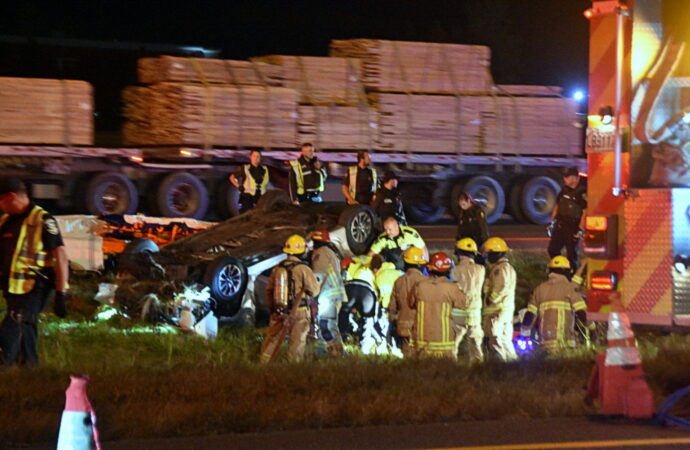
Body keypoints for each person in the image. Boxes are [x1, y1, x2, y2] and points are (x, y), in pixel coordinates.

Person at [0, 176, 69, 366]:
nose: (0, 206)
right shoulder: (6, 220)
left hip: (34, 287)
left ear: (12, 197)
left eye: (0, 200)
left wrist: (61, 293)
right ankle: (29, 366)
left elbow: (61, 256)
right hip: (12, 286)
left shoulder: (43, 220)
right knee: (26, 326)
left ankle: (4, 364)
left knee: (12, 326)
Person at [261, 234, 320, 363]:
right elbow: (314, 291)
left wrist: (273, 310)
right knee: (296, 345)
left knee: (271, 342)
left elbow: (268, 290)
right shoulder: (304, 269)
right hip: (299, 312)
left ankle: (263, 367)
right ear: (301, 251)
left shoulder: (277, 269)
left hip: (279, 311)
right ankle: (293, 372)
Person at [520, 256, 595, 353]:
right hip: (565, 344)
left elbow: (530, 314)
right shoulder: (570, 288)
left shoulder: (539, 289)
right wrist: (592, 329)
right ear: (567, 272)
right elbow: (581, 313)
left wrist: (524, 334)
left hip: (544, 345)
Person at [409, 252, 467, 359]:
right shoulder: (452, 288)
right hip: (443, 341)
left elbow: (411, 303)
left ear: (430, 269)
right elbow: (462, 305)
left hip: (422, 341)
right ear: (448, 270)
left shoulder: (419, 286)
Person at [310, 229, 346, 356]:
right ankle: (330, 353)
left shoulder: (321, 253)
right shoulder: (330, 252)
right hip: (332, 295)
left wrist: (311, 293)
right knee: (328, 325)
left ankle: (337, 354)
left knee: (326, 326)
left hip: (327, 296)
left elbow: (318, 276)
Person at [481, 237, 518, 362]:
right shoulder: (506, 268)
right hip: (504, 311)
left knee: (495, 341)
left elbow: (500, 288)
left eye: (489, 253)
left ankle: (501, 368)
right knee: (504, 341)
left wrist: (490, 299)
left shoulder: (499, 270)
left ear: (495, 253)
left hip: (497, 312)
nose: (487, 257)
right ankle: (514, 365)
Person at [451, 238, 485, 363]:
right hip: (475, 314)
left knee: (452, 345)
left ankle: (450, 369)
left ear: (458, 253)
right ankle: (478, 370)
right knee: (475, 346)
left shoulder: (455, 270)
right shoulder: (481, 269)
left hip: (458, 313)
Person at [339, 255, 382, 354]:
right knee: (367, 320)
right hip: (367, 291)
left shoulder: (359, 263)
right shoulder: (378, 273)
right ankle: (364, 350)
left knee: (343, 314)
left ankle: (340, 343)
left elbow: (346, 261)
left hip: (349, 287)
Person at [389, 246, 427, 357]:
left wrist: (392, 323)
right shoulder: (427, 282)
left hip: (403, 327)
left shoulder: (398, 281)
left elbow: (392, 307)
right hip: (422, 327)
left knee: (408, 359)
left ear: (405, 263)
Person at [547, 167, 587, 271]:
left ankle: (572, 273)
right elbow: (557, 205)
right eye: (565, 177)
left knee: (571, 254)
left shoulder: (581, 193)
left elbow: (585, 211)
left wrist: (580, 229)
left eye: (568, 177)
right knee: (552, 249)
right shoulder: (564, 190)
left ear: (576, 178)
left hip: (573, 227)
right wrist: (551, 222)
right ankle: (558, 269)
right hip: (561, 224)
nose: (565, 179)